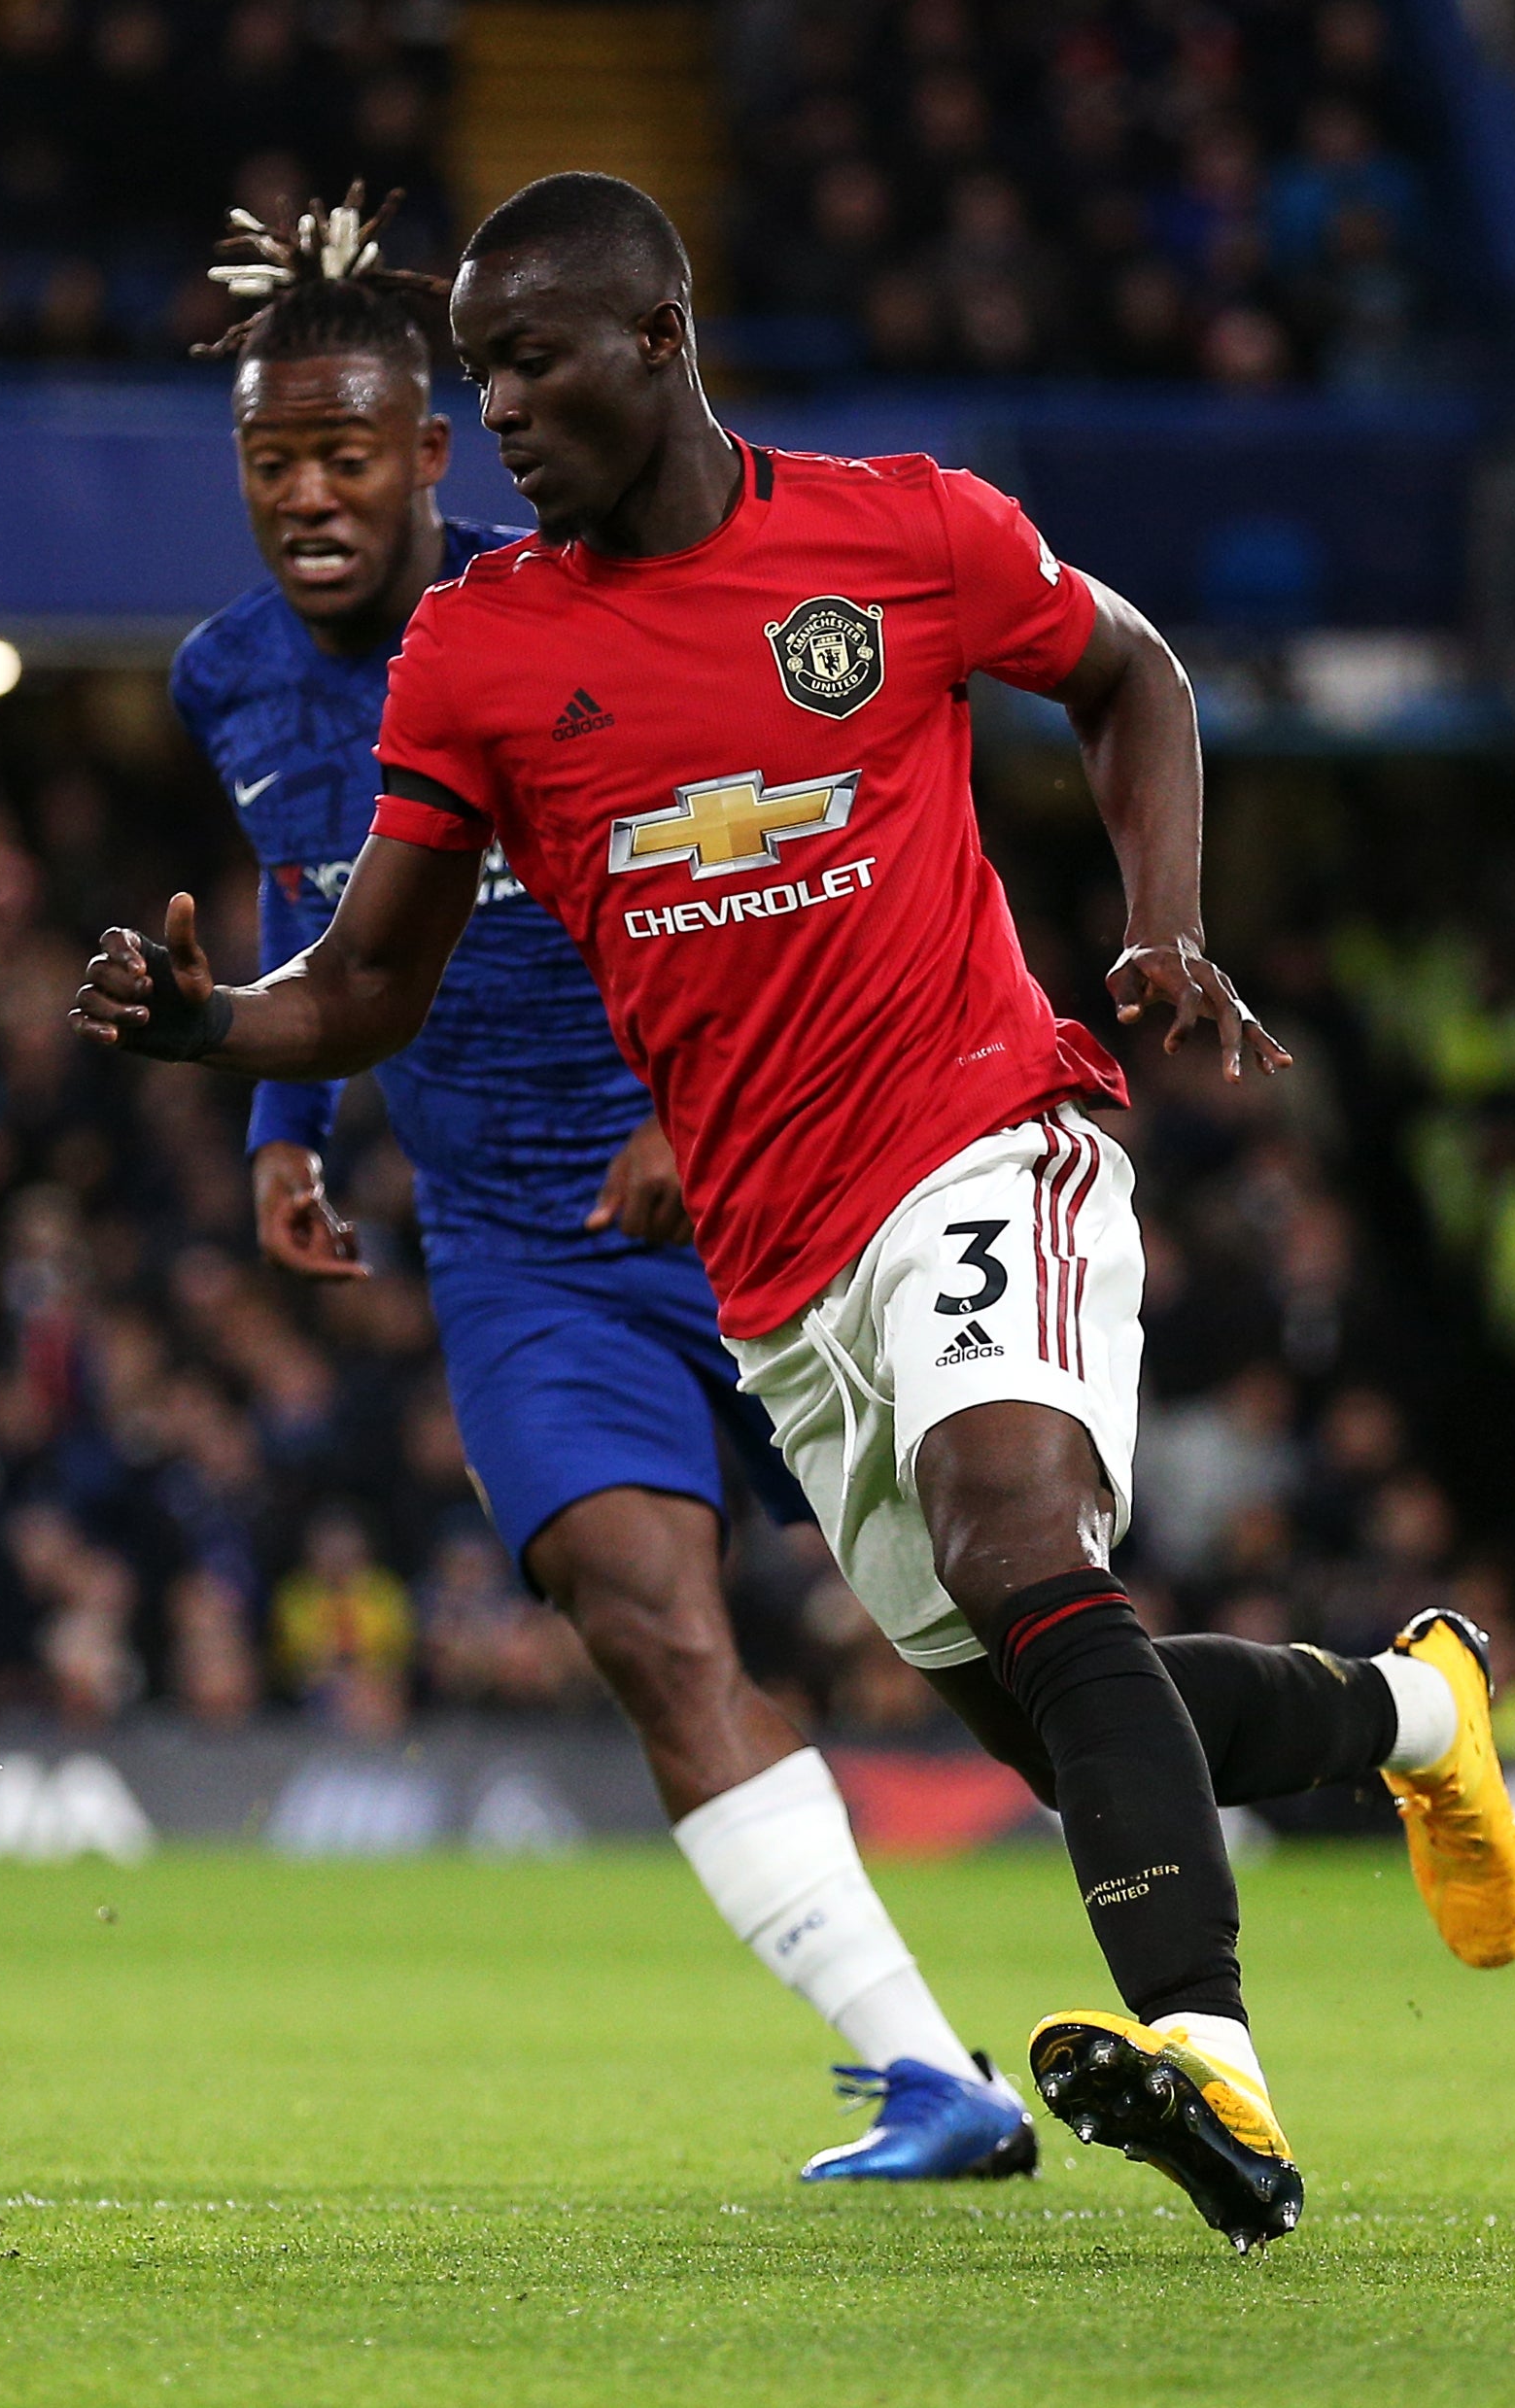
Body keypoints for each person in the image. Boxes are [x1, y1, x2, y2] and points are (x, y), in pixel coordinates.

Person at [82, 171, 1515, 2250]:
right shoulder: (475, 656)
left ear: (662, 341)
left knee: (1019, 1534)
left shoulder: (903, 531)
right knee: (1054, 1709)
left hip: (973, 1126)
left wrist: (1161, 926)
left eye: (529, 362)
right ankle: (1413, 1707)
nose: (500, 410)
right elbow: (370, 977)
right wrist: (215, 1039)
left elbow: (1133, 675)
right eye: (479, 372)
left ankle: (1211, 2062)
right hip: (760, 1264)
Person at [174, 187, 1032, 2182]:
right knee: (642, 1619)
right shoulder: (219, 683)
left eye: (347, 453)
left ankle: (1338, 1757)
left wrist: (688, 1095)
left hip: (758, 1180)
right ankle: (926, 2069)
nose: (307, 493)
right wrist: (277, 1129)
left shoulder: (544, 625)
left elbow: (725, 842)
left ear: (426, 456)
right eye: (268, 459)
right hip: (517, 1250)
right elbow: (313, 907)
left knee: (989, 1632)